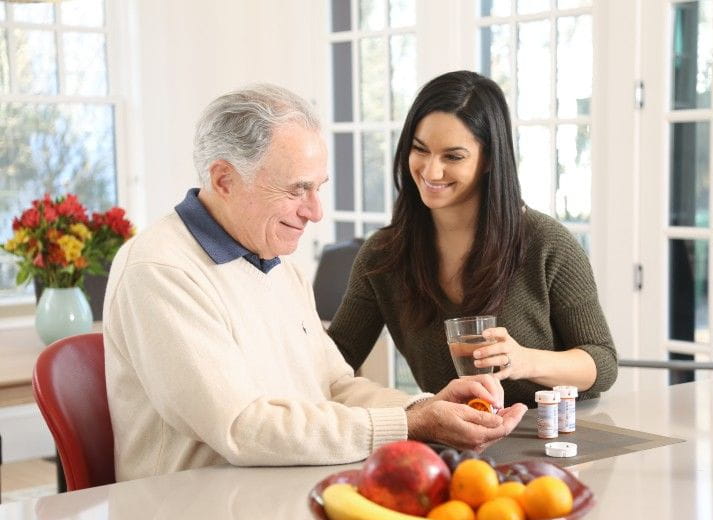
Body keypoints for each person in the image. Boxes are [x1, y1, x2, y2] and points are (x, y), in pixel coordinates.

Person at [103, 84, 527, 481]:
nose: (315, 211)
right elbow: (241, 426)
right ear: (224, 180)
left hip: (280, 495)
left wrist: (425, 406)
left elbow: (334, 386)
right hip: (193, 519)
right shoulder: (161, 270)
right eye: (296, 189)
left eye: (318, 188)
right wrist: (410, 424)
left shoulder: (276, 263)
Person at [327, 71, 618, 407]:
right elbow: (336, 360)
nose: (431, 171)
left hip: (554, 435)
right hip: (455, 437)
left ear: (489, 159)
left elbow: (603, 362)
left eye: (453, 157)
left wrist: (523, 360)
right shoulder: (383, 255)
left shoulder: (546, 243)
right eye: (420, 150)